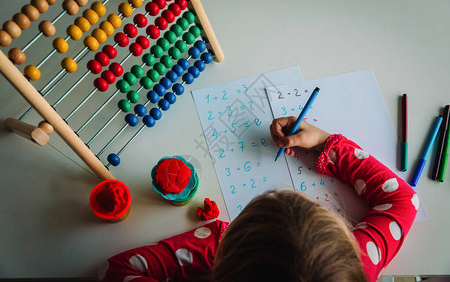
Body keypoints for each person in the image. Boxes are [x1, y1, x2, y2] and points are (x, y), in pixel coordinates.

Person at [99, 117, 418, 282]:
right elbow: (404, 200)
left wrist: (215, 241)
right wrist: (323, 143)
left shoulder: (215, 251)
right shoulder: (354, 270)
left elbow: (114, 271)